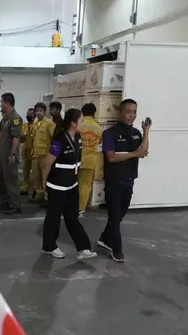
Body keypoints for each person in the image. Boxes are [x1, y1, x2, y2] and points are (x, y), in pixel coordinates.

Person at [98, 99, 151, 263]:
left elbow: (144, 150)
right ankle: (117, 249)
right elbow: (111, 157)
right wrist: (134, 154)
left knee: (119, 215)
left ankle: (105, 239)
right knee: (115, 217)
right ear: (120, 112)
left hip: (129, 180)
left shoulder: (136, 132)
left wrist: (146, 131)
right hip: (114, 180)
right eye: (129, 111)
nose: (132, 115)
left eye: (134, 112)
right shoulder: (109, 133)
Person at [41, 109, 97, 260]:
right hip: (56, 186)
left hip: (72, 185)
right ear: (73, 123)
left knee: (72, 217)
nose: (83, 124)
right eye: (81, 121)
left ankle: (83, 248)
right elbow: (46, 164)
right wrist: (44, 186)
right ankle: (50, 246)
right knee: (53, 218)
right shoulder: (59, 141)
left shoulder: (78, 137)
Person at [0, 93, 23, 215]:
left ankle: (15, 205)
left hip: (9, 156)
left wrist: (12, 154)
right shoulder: (6, 118)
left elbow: (16, 138)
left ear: (7, 103)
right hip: (2, 156)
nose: (0, 104)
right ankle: (5, 202)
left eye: (1, 102)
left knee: (11, 180)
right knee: (1, 179)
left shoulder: (15, 118)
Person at [77, 103, 104, 215]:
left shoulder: (79, 125)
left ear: (82, 112)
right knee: (85, 185)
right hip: (90, 160)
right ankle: (81, 208)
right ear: (94, 113)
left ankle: (71, 205)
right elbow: (101, 142)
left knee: (73, 184)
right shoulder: (98, 127)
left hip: (76, 159)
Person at [30, 102, 56, 203]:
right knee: (36, 176)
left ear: (45, 112)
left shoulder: (49, 123)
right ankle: (39, 195)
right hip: (35, 154)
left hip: (45, 155)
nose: (38, 113)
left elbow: (54, 137)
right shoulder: (35, 124)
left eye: (41, 111)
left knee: (46, 177)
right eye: (37, 111)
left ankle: (47, 197)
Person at [20, 108, 36, 196]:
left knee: (34, 172)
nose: (29, 115)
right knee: (25, 171)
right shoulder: (24, 125)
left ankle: (34, 189)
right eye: (28, 114)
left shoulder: (37, 125)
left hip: (34, 151)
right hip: (25, 151)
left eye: (31, 114)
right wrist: (23, 136)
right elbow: (21, 139)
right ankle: (25, 188)